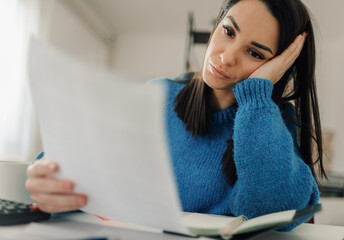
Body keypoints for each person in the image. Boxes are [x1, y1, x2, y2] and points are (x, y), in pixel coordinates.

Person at [26, 0, 326, 231]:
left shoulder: (270, 120)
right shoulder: (157, 96)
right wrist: (50, 178)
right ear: (217, 22)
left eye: (256, 53)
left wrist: (258, 95)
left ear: (277, 68)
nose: (227, 56)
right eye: (228, 31)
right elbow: (76, 157)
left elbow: (272, 208)